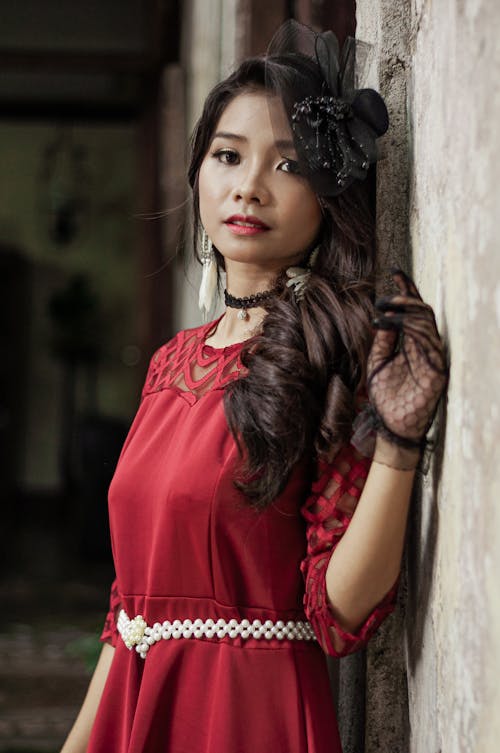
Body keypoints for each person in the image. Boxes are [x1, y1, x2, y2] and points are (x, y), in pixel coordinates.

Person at [61, 20, 447, 753]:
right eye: (227, 155)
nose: (248, 185)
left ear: (329, 193)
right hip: (135, 707)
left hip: (249, 716)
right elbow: (130, 604)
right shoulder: (169, 362)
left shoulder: (332, 349)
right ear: (197, 174)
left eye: (289, 165)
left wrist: (398, 443)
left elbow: (342, 610)